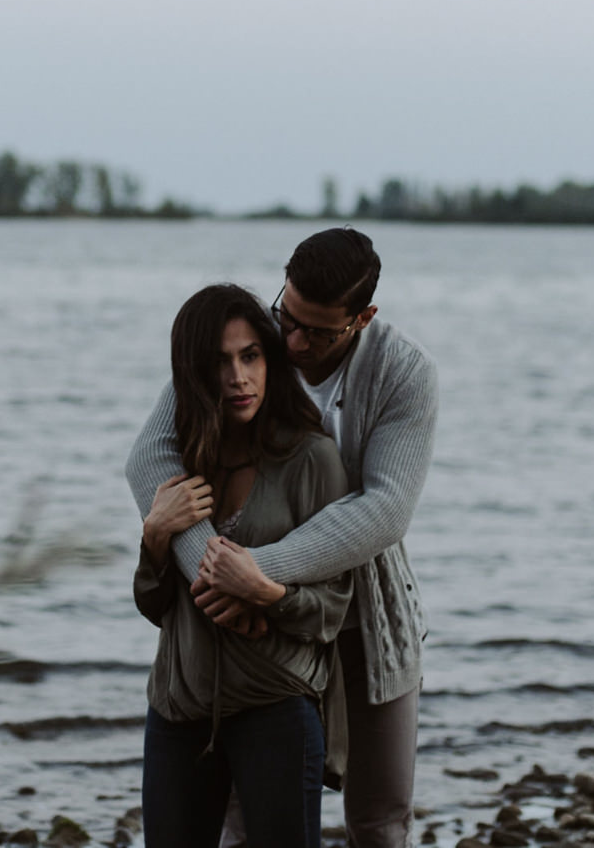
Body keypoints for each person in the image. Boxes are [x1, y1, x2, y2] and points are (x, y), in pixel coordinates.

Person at [128, 228, 438, 848]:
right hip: (252, 639)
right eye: (287, 316)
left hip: (366, 617)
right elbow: (151, 460)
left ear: (362, 318)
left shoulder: (405, 373)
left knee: (379, 820)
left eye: (317, 332)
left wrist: (258, 574)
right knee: (245, 820)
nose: (293, 343)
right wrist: (210, 571)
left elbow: (384, 510)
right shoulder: (256, 345)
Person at [134, 283, 352, 848]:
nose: (238, 377)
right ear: (193, 374)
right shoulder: (181, 461)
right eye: (219, 362)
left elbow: (333, 609)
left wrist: (268, 595)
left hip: (275, 708)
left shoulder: (311, 459)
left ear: (270, 359)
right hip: (178, 708)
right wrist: (155, 537)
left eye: (250, 356)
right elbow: (157, 607)